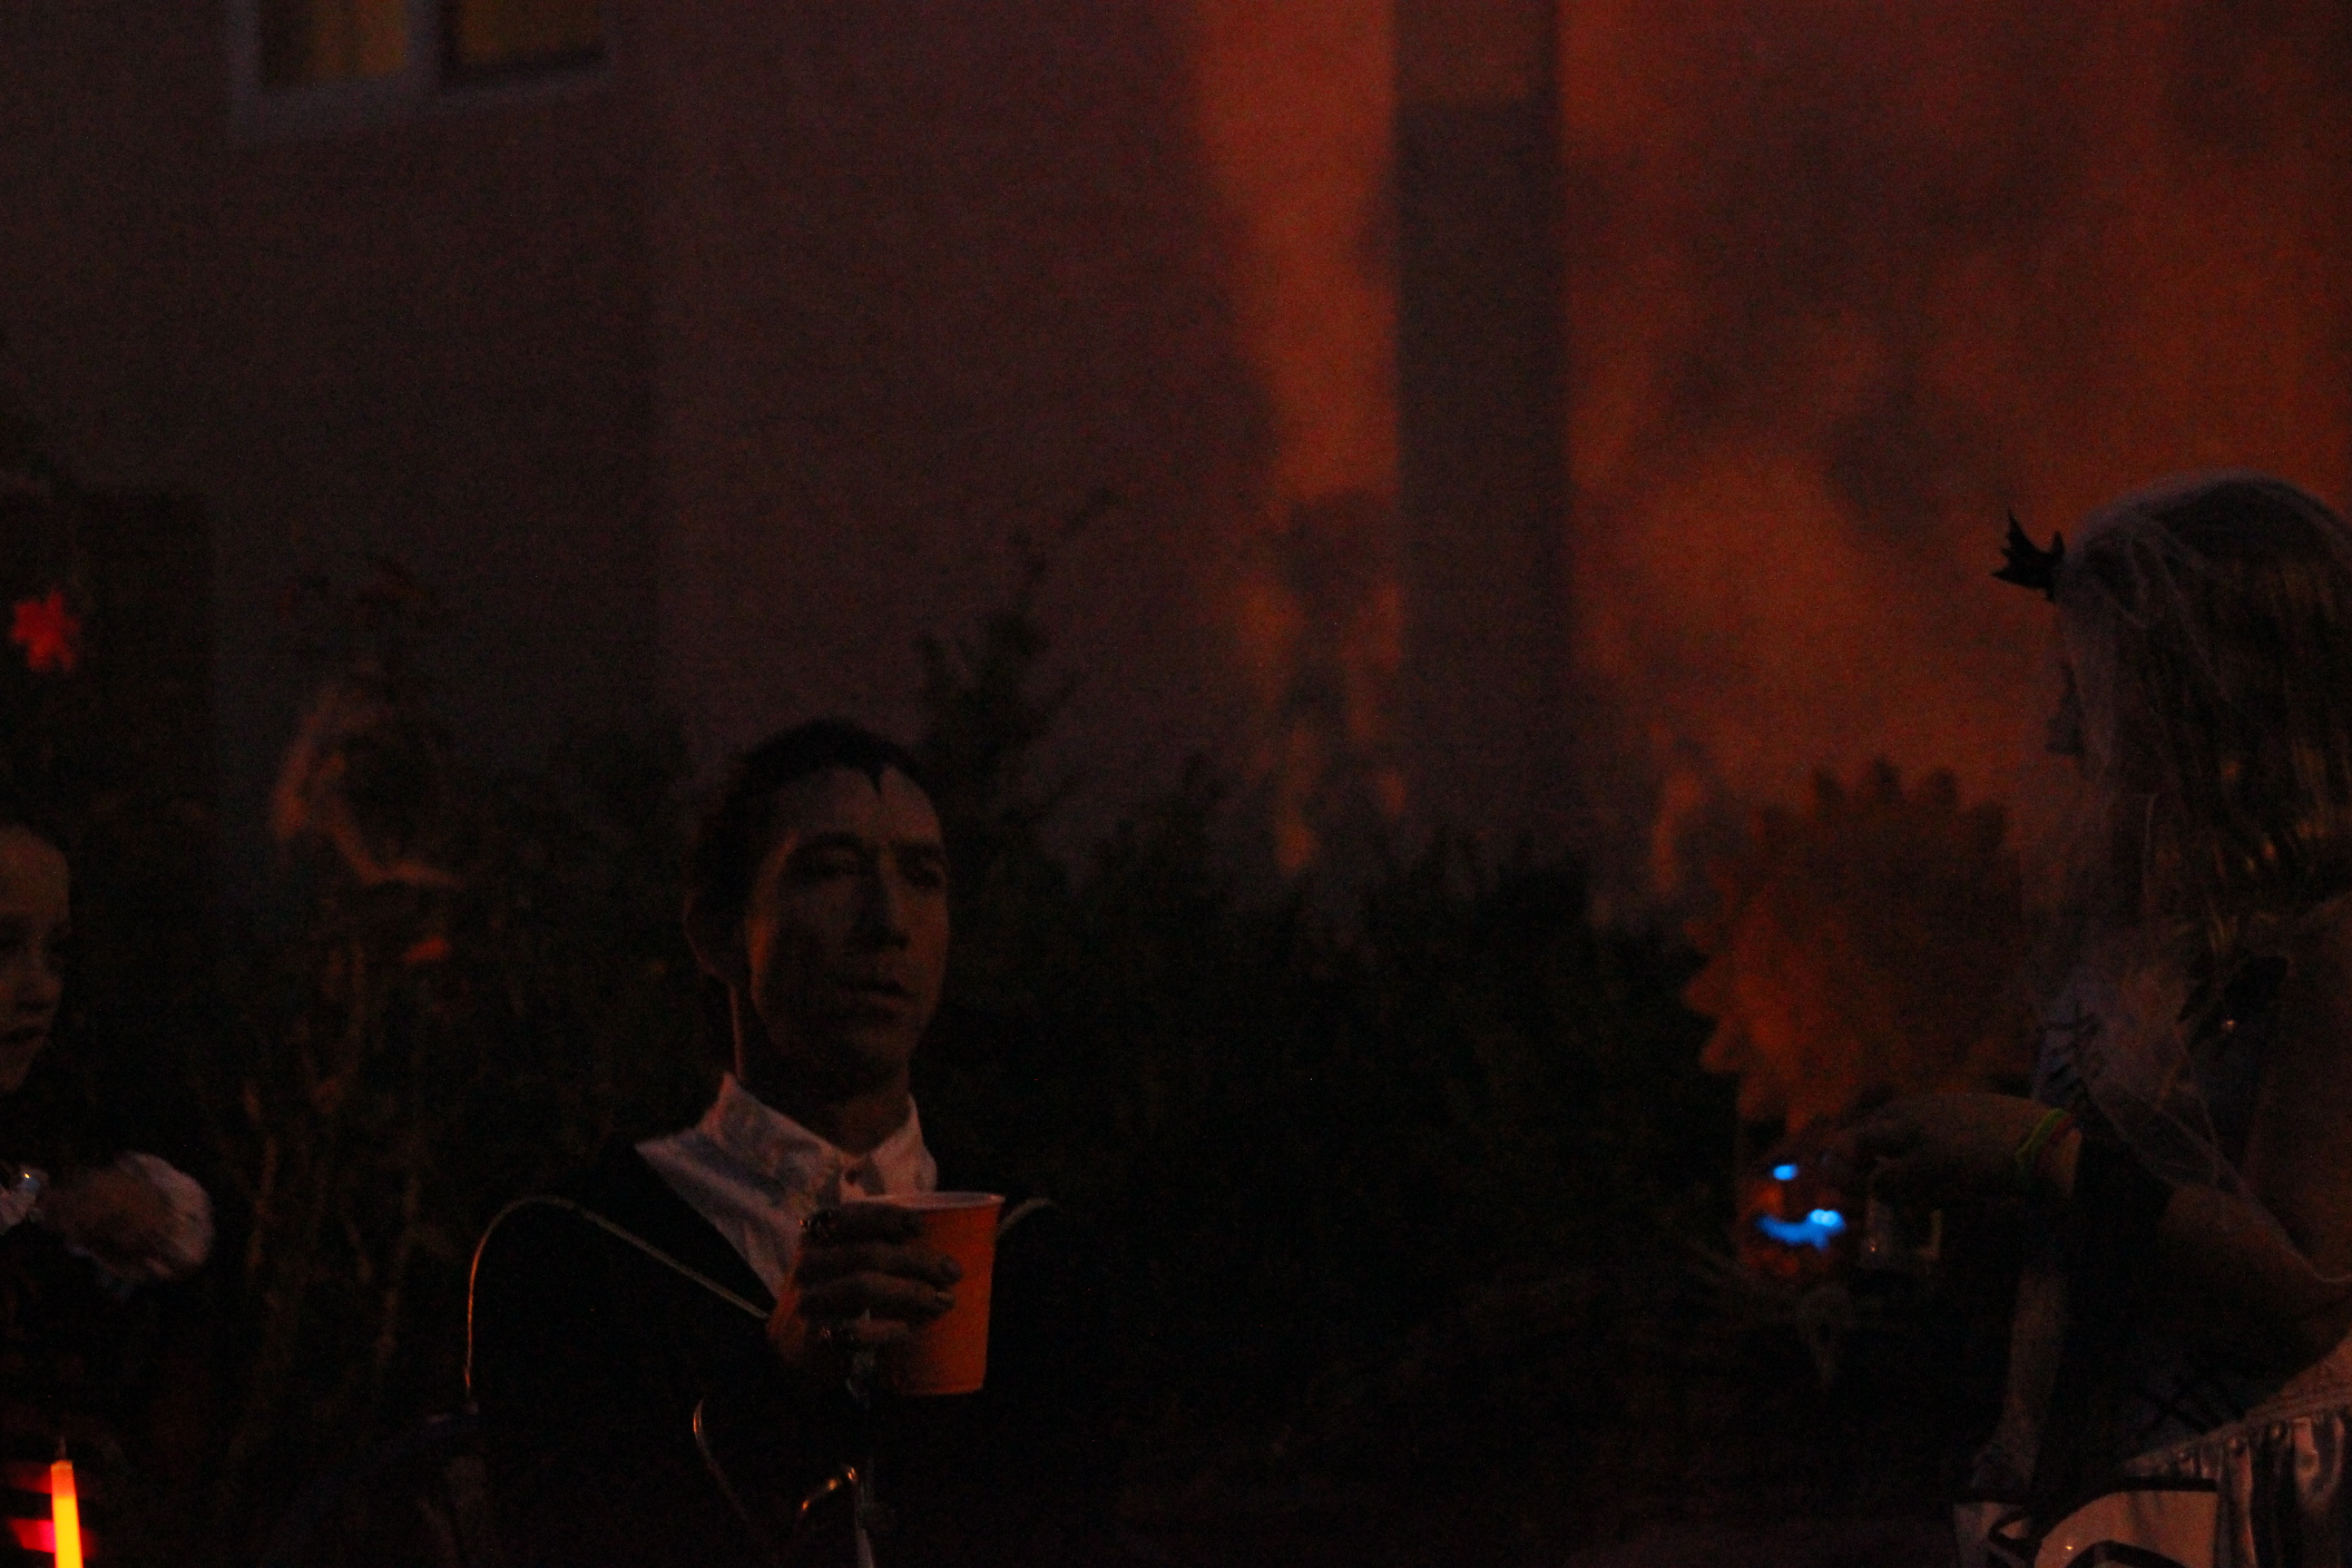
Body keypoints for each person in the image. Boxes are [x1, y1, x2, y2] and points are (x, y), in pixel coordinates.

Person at [1841, 473, 2352, 1567]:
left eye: (2098, 689)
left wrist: (2035, 1151)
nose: (2064, 733)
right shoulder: (2140, 938)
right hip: (2112, 1489)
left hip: (2251, 1504)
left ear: (2221, 702)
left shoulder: (2328, 946)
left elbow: (2304, 1294)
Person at [467, 720, 1107, 1568]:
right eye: (831, 870)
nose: (889, 923)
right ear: (718, 933)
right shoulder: (580, 1254)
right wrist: (776, 1386)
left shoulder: (1026, 1250)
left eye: (923, 878)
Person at [0, 818, 214, 1563]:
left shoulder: (63, 1123)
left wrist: (115, 1209)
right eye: (3, 945)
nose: (39, 988)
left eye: (56, 953)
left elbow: (182, 1229)